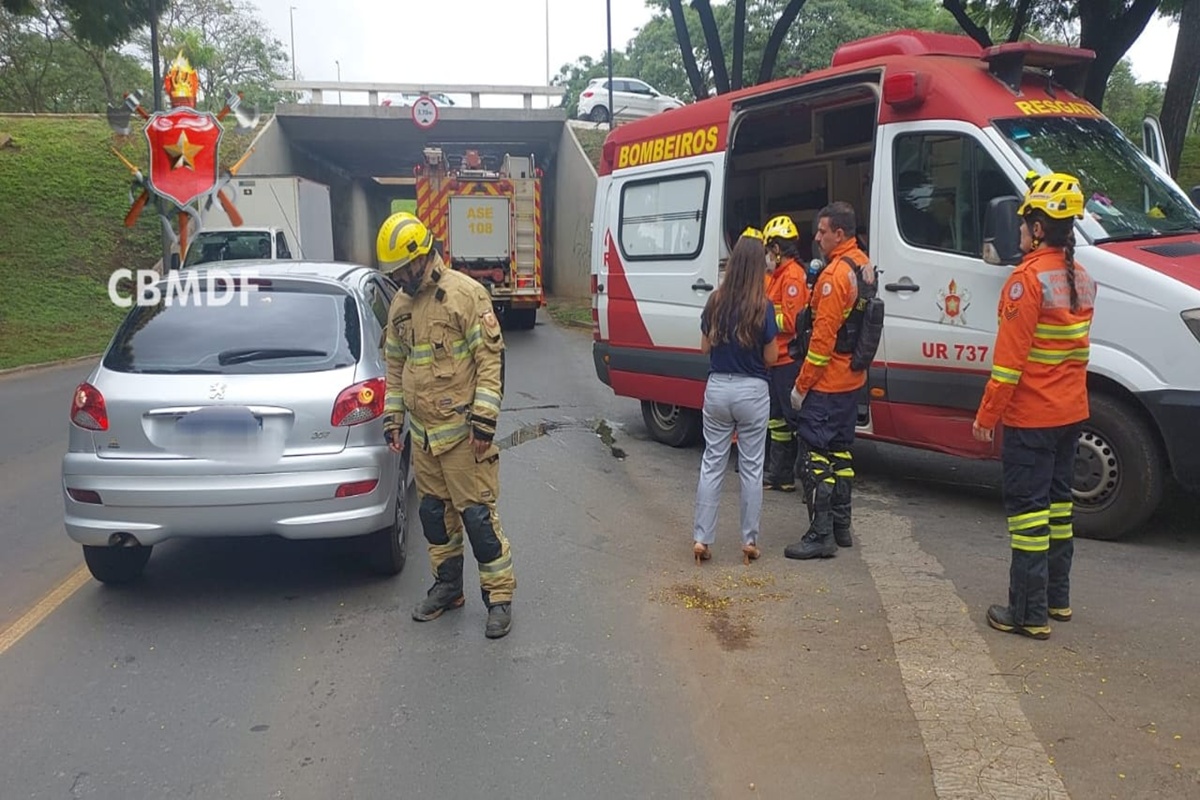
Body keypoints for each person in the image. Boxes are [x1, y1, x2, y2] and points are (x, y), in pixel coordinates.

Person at [378, 211, 517, 640]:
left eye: (403, 268)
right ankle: (448, 587)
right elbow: (396, 365)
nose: (399, 277)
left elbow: (489, 361)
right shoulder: (400, 306)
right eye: (394, 272)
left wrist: (484, 421)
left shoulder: (464, 295)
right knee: (435, 517)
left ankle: (498, 598)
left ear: (422, 257)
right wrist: (393, 416)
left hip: (462, 436)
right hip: (423, 438)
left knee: (477, 518)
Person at [973, 172, 1096, 640]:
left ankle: (1027, 613)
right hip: (1070, 413)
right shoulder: (1081, 279)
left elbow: (1008, 365)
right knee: (1059, 510)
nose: (1020, 230)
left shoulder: (1026, 281)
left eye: (1025, 222)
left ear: (1040, 228)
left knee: (1028, 516)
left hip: (1033, 417)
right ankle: (1057, 599)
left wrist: (987, 417)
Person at [785, 201, 875, 560]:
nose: (817, 236)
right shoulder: (863, 265)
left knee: (814, 456)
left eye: (823, 231)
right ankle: (841, 526)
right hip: (852, 381)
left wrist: (801, 386)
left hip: (827, 383)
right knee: (841, 452)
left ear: (840, 233)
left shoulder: (836, 276)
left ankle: (821, 534)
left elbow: (821, 342)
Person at [693, 230, 779, 566]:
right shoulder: (763, 306)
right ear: (759, 266)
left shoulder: (715, 300)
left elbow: (703, 347)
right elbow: (771, 358)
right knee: (751, 468)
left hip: (717, 388)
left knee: (712, 463)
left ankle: (702, 539)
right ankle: (749, 541)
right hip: (752, 391)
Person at [761, 215, 811, 493]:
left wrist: (764, 322)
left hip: (788, 360)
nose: (767, 256)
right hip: (776, 358)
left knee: (794, 421)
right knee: (777, 419)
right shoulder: (777, 275)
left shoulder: (791, 276)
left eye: (769, 249)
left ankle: (806, 477)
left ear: (777, 249)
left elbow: (790, 322)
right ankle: (780, 475)